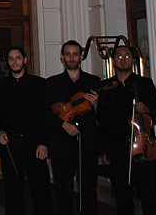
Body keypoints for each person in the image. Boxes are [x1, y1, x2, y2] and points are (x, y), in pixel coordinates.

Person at [97, 45, 156, 215]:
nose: (123, 59)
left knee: (148, 196)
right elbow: (104, 121)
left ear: (133, 60)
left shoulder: (145, 84)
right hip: (118, 148)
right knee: (122, 197)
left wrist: (146, 108)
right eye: (119, 56)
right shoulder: (107, 86)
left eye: (127, 56)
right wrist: (106, 149)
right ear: (113, 60)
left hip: (144, 148)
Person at [43, 40, 102, 215]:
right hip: (61, 142)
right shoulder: (52, 83)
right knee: (63, 187)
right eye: (67, 54)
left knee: (89, 186)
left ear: (81, 56)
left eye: (75, 54)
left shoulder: (93, 81)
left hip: (87, 142)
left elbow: (105, 114)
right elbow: (44, 112)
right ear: (62, 57)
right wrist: (63, 124)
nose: (71, 57)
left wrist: (97, 104)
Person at [0, 47, 52, 215]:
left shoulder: (39, 84)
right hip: (11, 144)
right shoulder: (1, 85)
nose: (14, 62)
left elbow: (44, 116)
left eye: (18, 58)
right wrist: (1, 131)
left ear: (25, 60)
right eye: (11, 58)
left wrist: (43, 143)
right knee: (12, 190)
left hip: (34, 144)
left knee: (40, 188)